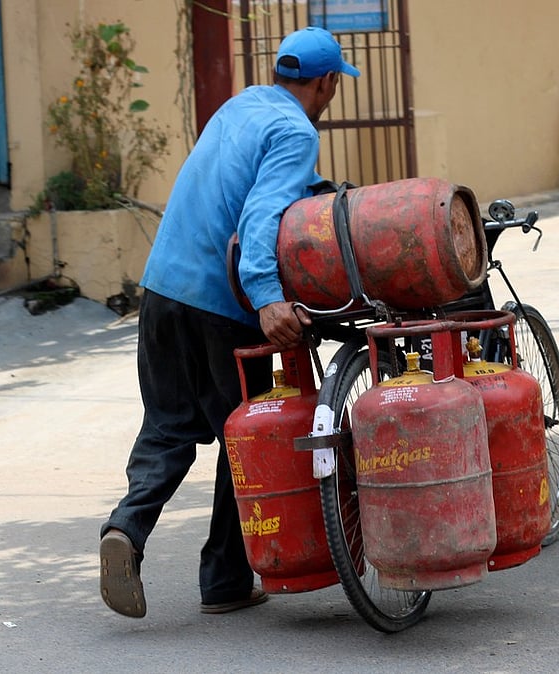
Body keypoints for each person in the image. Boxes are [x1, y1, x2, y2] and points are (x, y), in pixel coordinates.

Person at [98, 26, 360, 619]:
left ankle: (126, 529)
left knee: (168, 428)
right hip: (222, 302)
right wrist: (269, 299)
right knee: (246, 432)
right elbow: (261, 211)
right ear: (326, 83)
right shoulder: (296, 130)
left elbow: (236, 186)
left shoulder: (240, 107)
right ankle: (223, 580)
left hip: (163, 287)